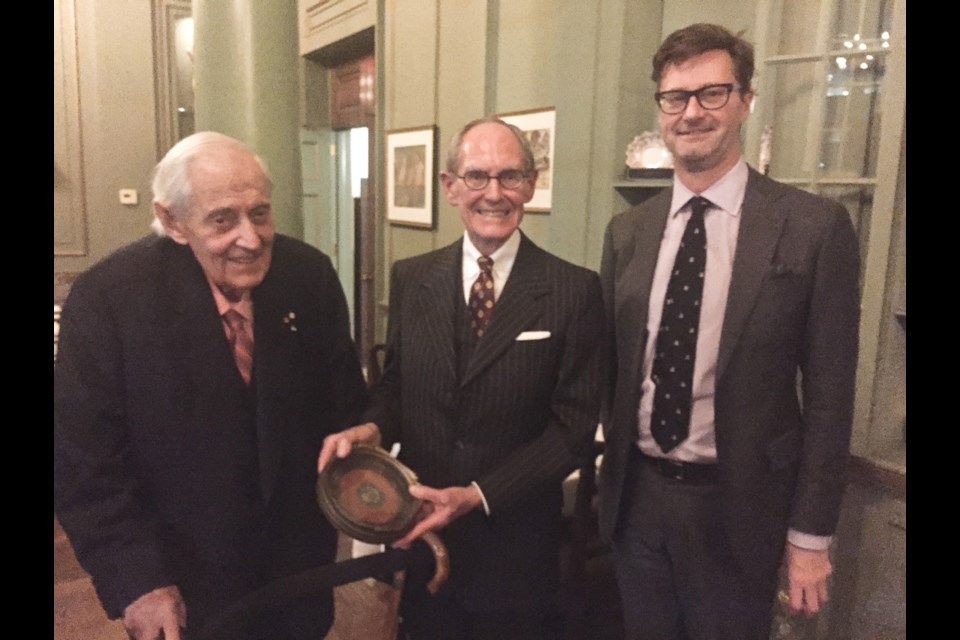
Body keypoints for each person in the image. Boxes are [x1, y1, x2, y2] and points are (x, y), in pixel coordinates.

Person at [598, 24, 860, 640]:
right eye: (675, 97)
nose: (691, 112)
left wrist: (810, 536)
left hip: (740, 511)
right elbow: (609, 367)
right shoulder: (627, 233)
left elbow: (830, 397)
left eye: (712, 93)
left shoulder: (812, 228)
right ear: (661, 109)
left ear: (745, 100)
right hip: (637, 503)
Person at [53, 131, 368, 640]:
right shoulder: (109, 300)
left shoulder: (309, 276)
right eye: (223, 219)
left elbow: (345, 403)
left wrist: (362, 437)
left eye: (260, 213)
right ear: (173, 221)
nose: (251, 237)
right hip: (182, 590)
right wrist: (138, 580)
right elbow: (85, 464)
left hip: (299, 577)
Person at [318, 117, 605, 640]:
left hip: (515, 542)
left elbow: (575, 428)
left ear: (531, 183)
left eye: (510, 177)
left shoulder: (574, 290)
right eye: (477, 177)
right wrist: (373, 429)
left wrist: (475, 495)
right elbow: (396, 386)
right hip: (423, 528)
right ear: (450, 186)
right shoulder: (412, 277)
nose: (493, 194)